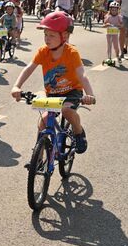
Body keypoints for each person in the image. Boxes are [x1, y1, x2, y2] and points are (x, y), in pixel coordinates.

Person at [11, 11, 96, 154]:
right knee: (43, 121)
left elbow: (82, 75)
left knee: (67, 110)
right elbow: (28, 68)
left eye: (52, 35)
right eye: (45, 34)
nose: (47, 39)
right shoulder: (43, 51)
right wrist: (16, 86)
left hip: (71, 91)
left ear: (65, 36)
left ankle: (79, 133)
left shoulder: (72, 52)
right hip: (52, 93)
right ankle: (38, 155)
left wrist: (90, 95)